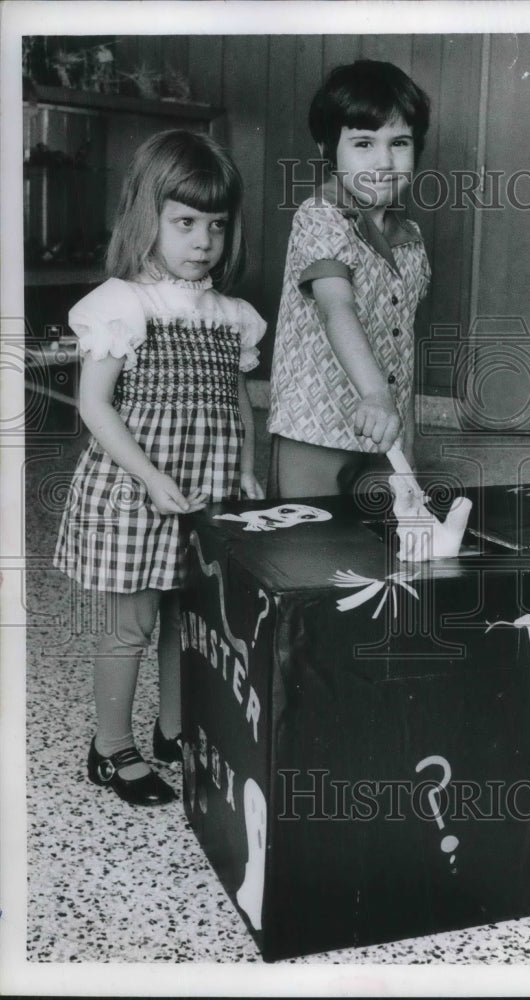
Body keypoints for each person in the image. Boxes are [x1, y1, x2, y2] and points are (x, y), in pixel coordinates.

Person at [54, 129, 266, 806]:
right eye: (183, 223)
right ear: (148, 220)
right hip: (133, 493)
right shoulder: (124, 305)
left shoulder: (230, 316)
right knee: (130, 626)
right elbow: (93, 405)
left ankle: (177, 730)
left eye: (215, 225)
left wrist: (251, 469)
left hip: (204, 492)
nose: (202, 240)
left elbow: (238, 402)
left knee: (189, 617)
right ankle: (111, 748)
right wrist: (149, 476)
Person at [268, 59, 431, 497]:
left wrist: (407, 440)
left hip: (382, 431)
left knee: (382, 541)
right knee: (305, 543)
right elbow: (336, 307)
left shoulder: (411, 240)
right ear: (328, 149)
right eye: (363, 143)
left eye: (399, 142)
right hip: (313, 426)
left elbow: (403, 349)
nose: (383, 160)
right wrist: (376, 395)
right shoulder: (320, 217)